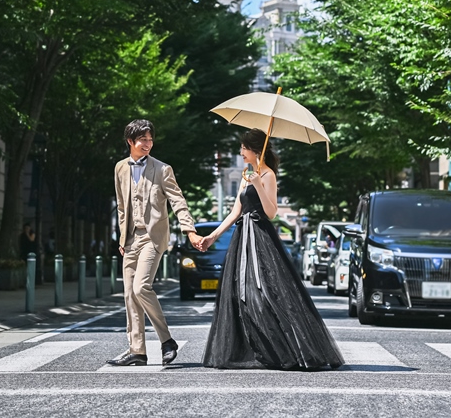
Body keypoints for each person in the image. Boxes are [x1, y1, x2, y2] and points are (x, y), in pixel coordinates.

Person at [201, 129, 344, 371]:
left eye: (244, 148)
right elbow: (235, 212)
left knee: (265, 293)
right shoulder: (247, 174)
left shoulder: (267, 175)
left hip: (260, 238)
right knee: (240, 294)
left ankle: (286, 349)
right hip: (242, 239)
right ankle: (257, 350)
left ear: (256, 150)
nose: (240, 152)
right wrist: (212, 237)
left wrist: (259, 184)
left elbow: (271, 212)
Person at [106, 119, 205, 367]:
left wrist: (189, 230)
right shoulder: (120, 169)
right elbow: (121, 206)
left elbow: (178, 201)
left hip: (153, 237)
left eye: (150, 139)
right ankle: (137, 351)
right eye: (143, 140)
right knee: (130, 295)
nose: (148, 144)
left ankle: (166, 340)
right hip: (130, 239)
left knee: (141, 288)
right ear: (131, 141)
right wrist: (122, 236)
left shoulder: (162, 169)